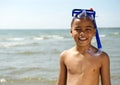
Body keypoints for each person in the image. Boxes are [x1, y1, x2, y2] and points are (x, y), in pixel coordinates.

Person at [56, 8, 111, 85]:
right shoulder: (65, 56)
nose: (82, 33)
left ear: (94, 32)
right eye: (78, 29)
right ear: (71, 31)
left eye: (88, 29)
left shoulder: (102, 57)